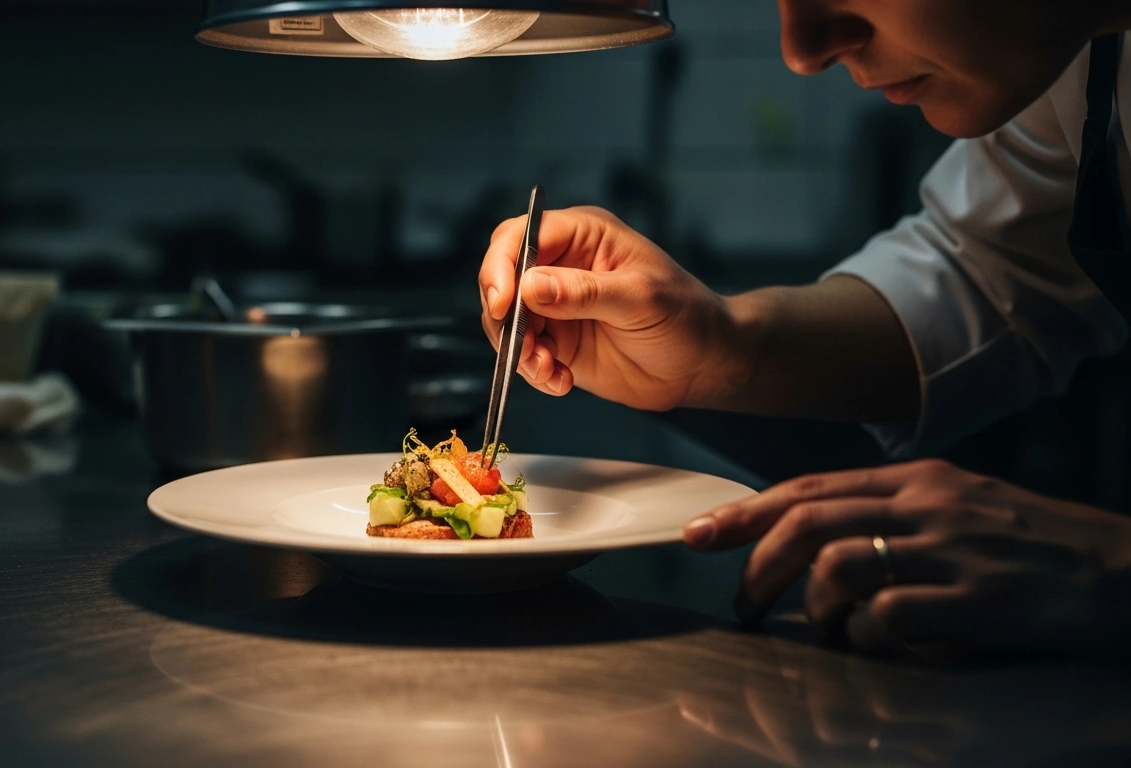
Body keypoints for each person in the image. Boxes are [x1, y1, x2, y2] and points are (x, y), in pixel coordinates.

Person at [478, 0, 1131, 655]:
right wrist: (719, 344)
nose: (803, 52)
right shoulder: (1076, 65)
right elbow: (991, 273)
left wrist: (1112, 562)